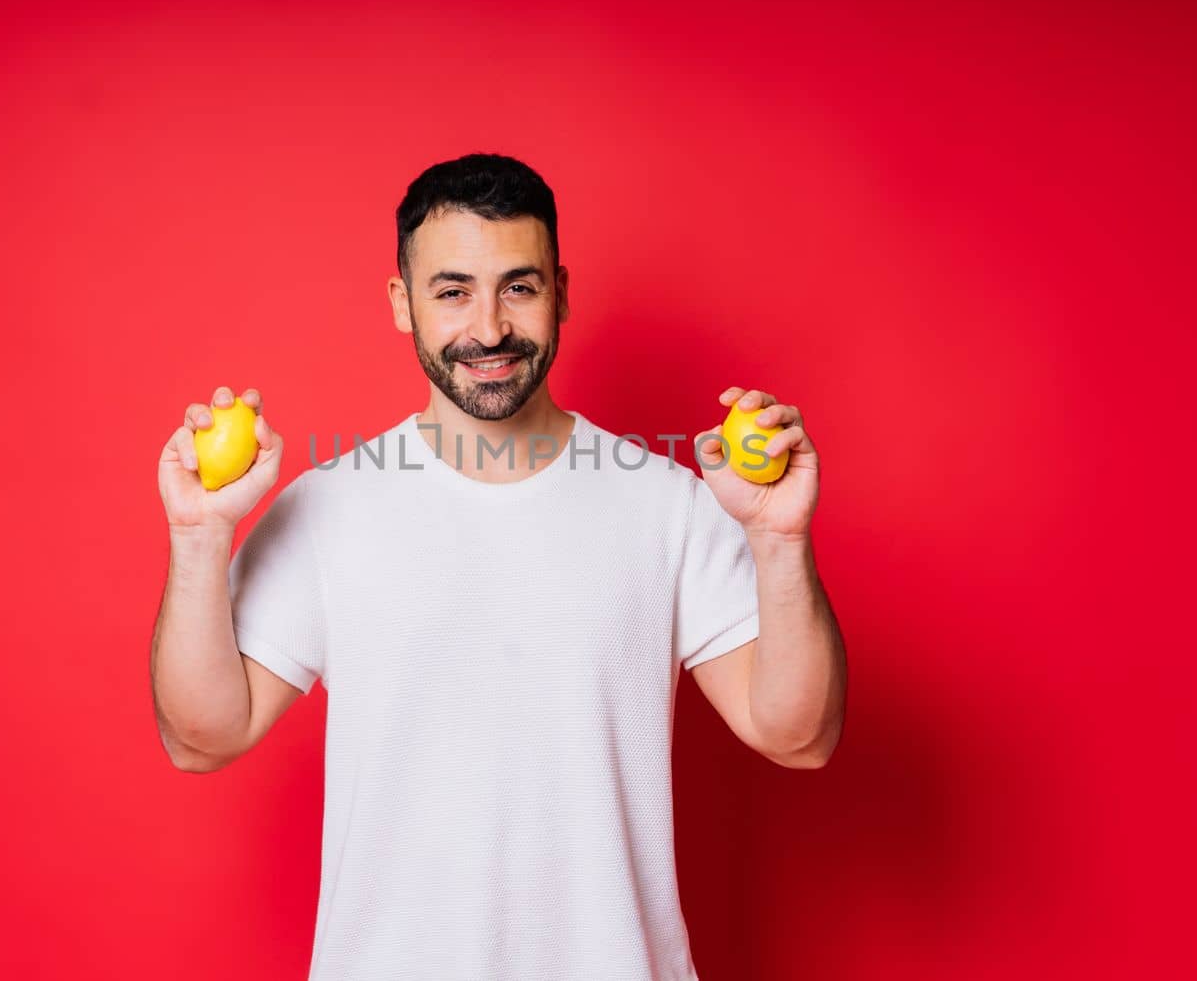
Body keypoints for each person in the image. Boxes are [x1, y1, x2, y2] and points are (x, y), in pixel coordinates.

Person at [151, 152, 847, 980]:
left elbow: (800, 734)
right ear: (402, 304)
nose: (488, 328)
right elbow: (201, 737)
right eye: (452, 291)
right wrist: (198, 537)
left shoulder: (669, 504)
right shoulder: (329, 507)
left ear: (561, 291)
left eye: (518, 286)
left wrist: (778, 539)